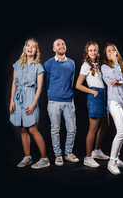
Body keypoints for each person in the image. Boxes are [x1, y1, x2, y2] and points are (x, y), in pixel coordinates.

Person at [9, 39, 50, 169]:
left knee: (33, 129)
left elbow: (39, 88)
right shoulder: (18, 64)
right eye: (28, 45)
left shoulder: (39, 66)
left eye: (33, 46)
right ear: (25, 48)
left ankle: (45, 159)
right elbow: (14, 84)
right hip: (18, 98)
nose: (30, 48)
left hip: (30, 98)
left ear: (36, 50)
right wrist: (11, 101)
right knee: (22, 128)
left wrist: (33, 104)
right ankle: (27, 157)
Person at [44, 38, 79, 166]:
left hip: (69, 101)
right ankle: (58, 155)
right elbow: (46, 83)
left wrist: (68, 95)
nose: (61, 46)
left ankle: (68, 153)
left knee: (72, 129)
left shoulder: (72, 63)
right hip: (53, 101)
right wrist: (52, 94)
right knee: (55, 130)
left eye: (63, 43)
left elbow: (71, 81)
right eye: (58, 44)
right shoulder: (48, 64)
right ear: (54, 49)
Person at [101, 43, 123, 175]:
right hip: (115, 102)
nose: (111, 52)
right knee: (122, 132)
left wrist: (120, 83)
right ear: (106, 54)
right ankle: (111, 162)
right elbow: (113, 80)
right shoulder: (104, 67)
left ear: (116, 51)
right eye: (108, 51)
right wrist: (115, 63)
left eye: (113, 50)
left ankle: (117, 157)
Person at [76, 41, 109, 168]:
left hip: (103, 95)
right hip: (94, 95)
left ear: (97, 51)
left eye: (95, 50)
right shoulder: (86, 65)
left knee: (106, 125)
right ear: (87, 52)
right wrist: (93, 92)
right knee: (93, 129)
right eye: (90, 50)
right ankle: (88, 157)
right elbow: (78, 85)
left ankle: (97, 151)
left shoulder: (99, 64)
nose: (93, 52)